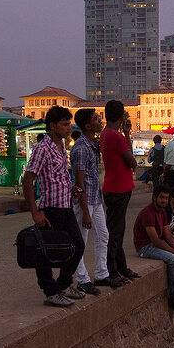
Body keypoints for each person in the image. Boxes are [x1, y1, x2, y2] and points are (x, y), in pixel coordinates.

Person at [23, 106, 86, 307]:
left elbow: (57, 176)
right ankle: (51, 291)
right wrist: (35, 211)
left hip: (65, 204)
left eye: (69, 124)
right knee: (46, 251)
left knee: (77, 245)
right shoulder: (43, 148)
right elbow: (28, 179)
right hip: (50, 207)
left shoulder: (61, 146)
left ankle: (63, 284)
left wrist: (71, 188)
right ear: (52, 125)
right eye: (65, 124)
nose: (69, 128)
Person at [134, 185, 174, 314]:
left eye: (166, 198)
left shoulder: (163, 212)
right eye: (162, 197)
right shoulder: (148, 213)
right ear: (154, 198)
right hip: (145, 247)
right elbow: (155, 240)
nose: (164, 201)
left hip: (157, 243)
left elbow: (167, 235)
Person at [70, 108, 114, 293]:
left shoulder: (92, 145)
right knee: (80, 241)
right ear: (87, 125)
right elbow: (79, 183)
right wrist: (86, 212)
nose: (100, 121)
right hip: (84, 202)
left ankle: (101, 274)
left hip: (95, 200)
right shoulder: (81, 148)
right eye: (96, 119)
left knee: (103, 236)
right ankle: (82, 279)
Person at [101, 100, 140, 284]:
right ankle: (113, 270)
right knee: (115, 232)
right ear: (121, 117)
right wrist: (126, 135)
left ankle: (121, 266)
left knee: (117, 229)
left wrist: (126, 133)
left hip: (112, 187)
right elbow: (132, 161)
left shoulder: (106, 134)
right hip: (119, 188)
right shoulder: (115, 137)